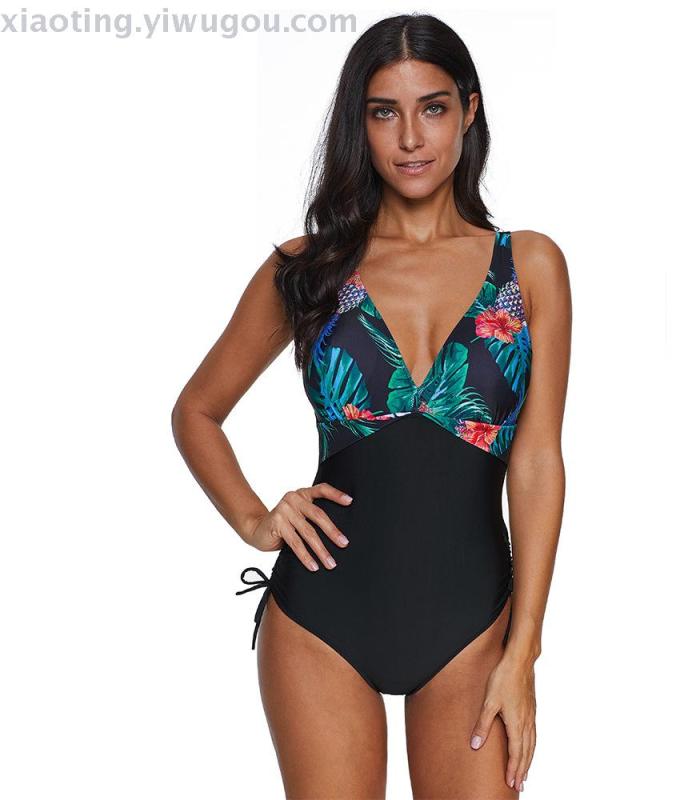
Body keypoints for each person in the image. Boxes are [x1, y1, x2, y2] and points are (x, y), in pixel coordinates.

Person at [171, 12, 571, 799]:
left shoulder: (528, 266)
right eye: (385, 112)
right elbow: (197, 411)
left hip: (473, 627)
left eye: (433, 108)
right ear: (360, 123)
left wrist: (523, 650)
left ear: (469, 110)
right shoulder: (308, 269)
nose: (411, 138)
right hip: (321, 622)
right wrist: (256, 519)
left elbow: (537, 462)